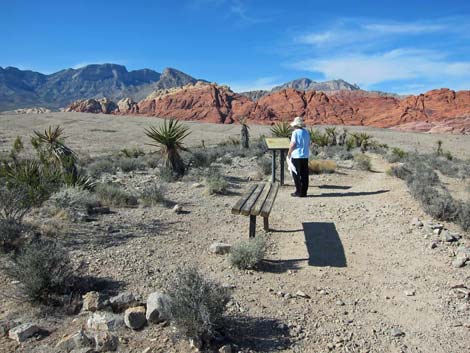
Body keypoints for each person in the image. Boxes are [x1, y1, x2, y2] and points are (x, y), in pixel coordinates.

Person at [287, 116, 310, 197]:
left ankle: (298, 191)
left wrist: (289, 153)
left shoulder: (295, 133)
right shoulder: (306, 132)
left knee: (296, 174)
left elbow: (293, 144)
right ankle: (304, 192)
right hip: (305, 156)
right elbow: (308, 143)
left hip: (296, 156)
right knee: (304, 174)